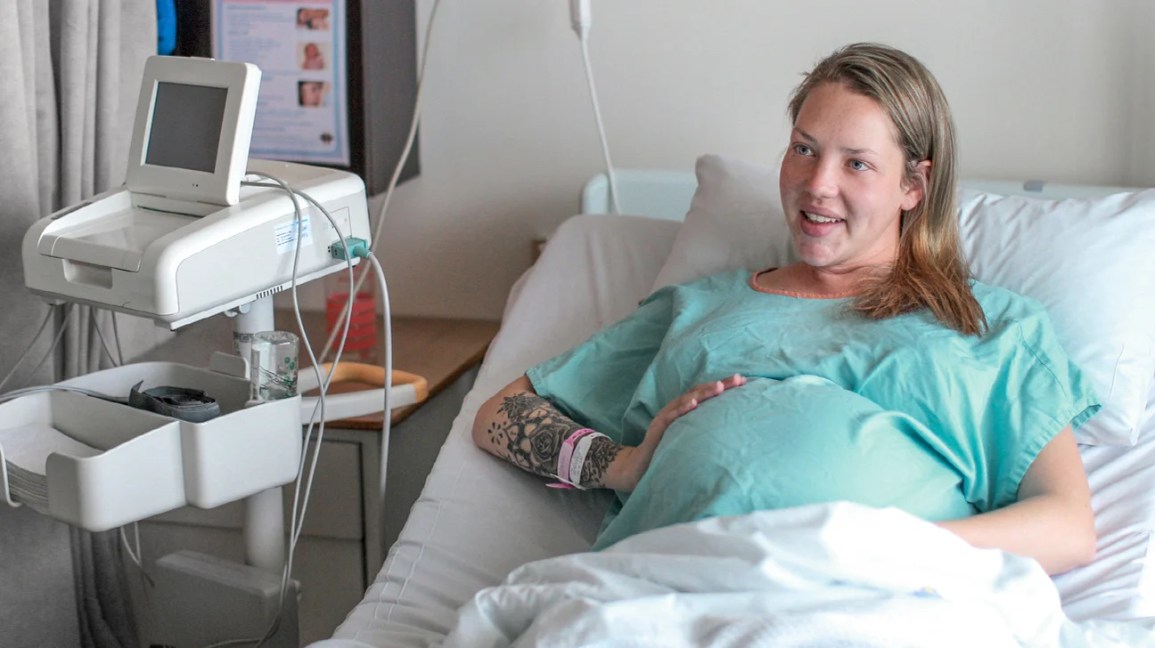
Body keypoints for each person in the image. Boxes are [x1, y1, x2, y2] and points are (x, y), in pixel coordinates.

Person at [471, 42, 1100, 576]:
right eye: (804, 149)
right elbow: (500, 414)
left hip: (876, 599)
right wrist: (621, 464)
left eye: (856, 163)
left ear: (914, 185)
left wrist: (881, 549)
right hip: (663, 592)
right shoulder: (698, 308)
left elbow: (1069, 526)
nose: (817, 183)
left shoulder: (988, 326)